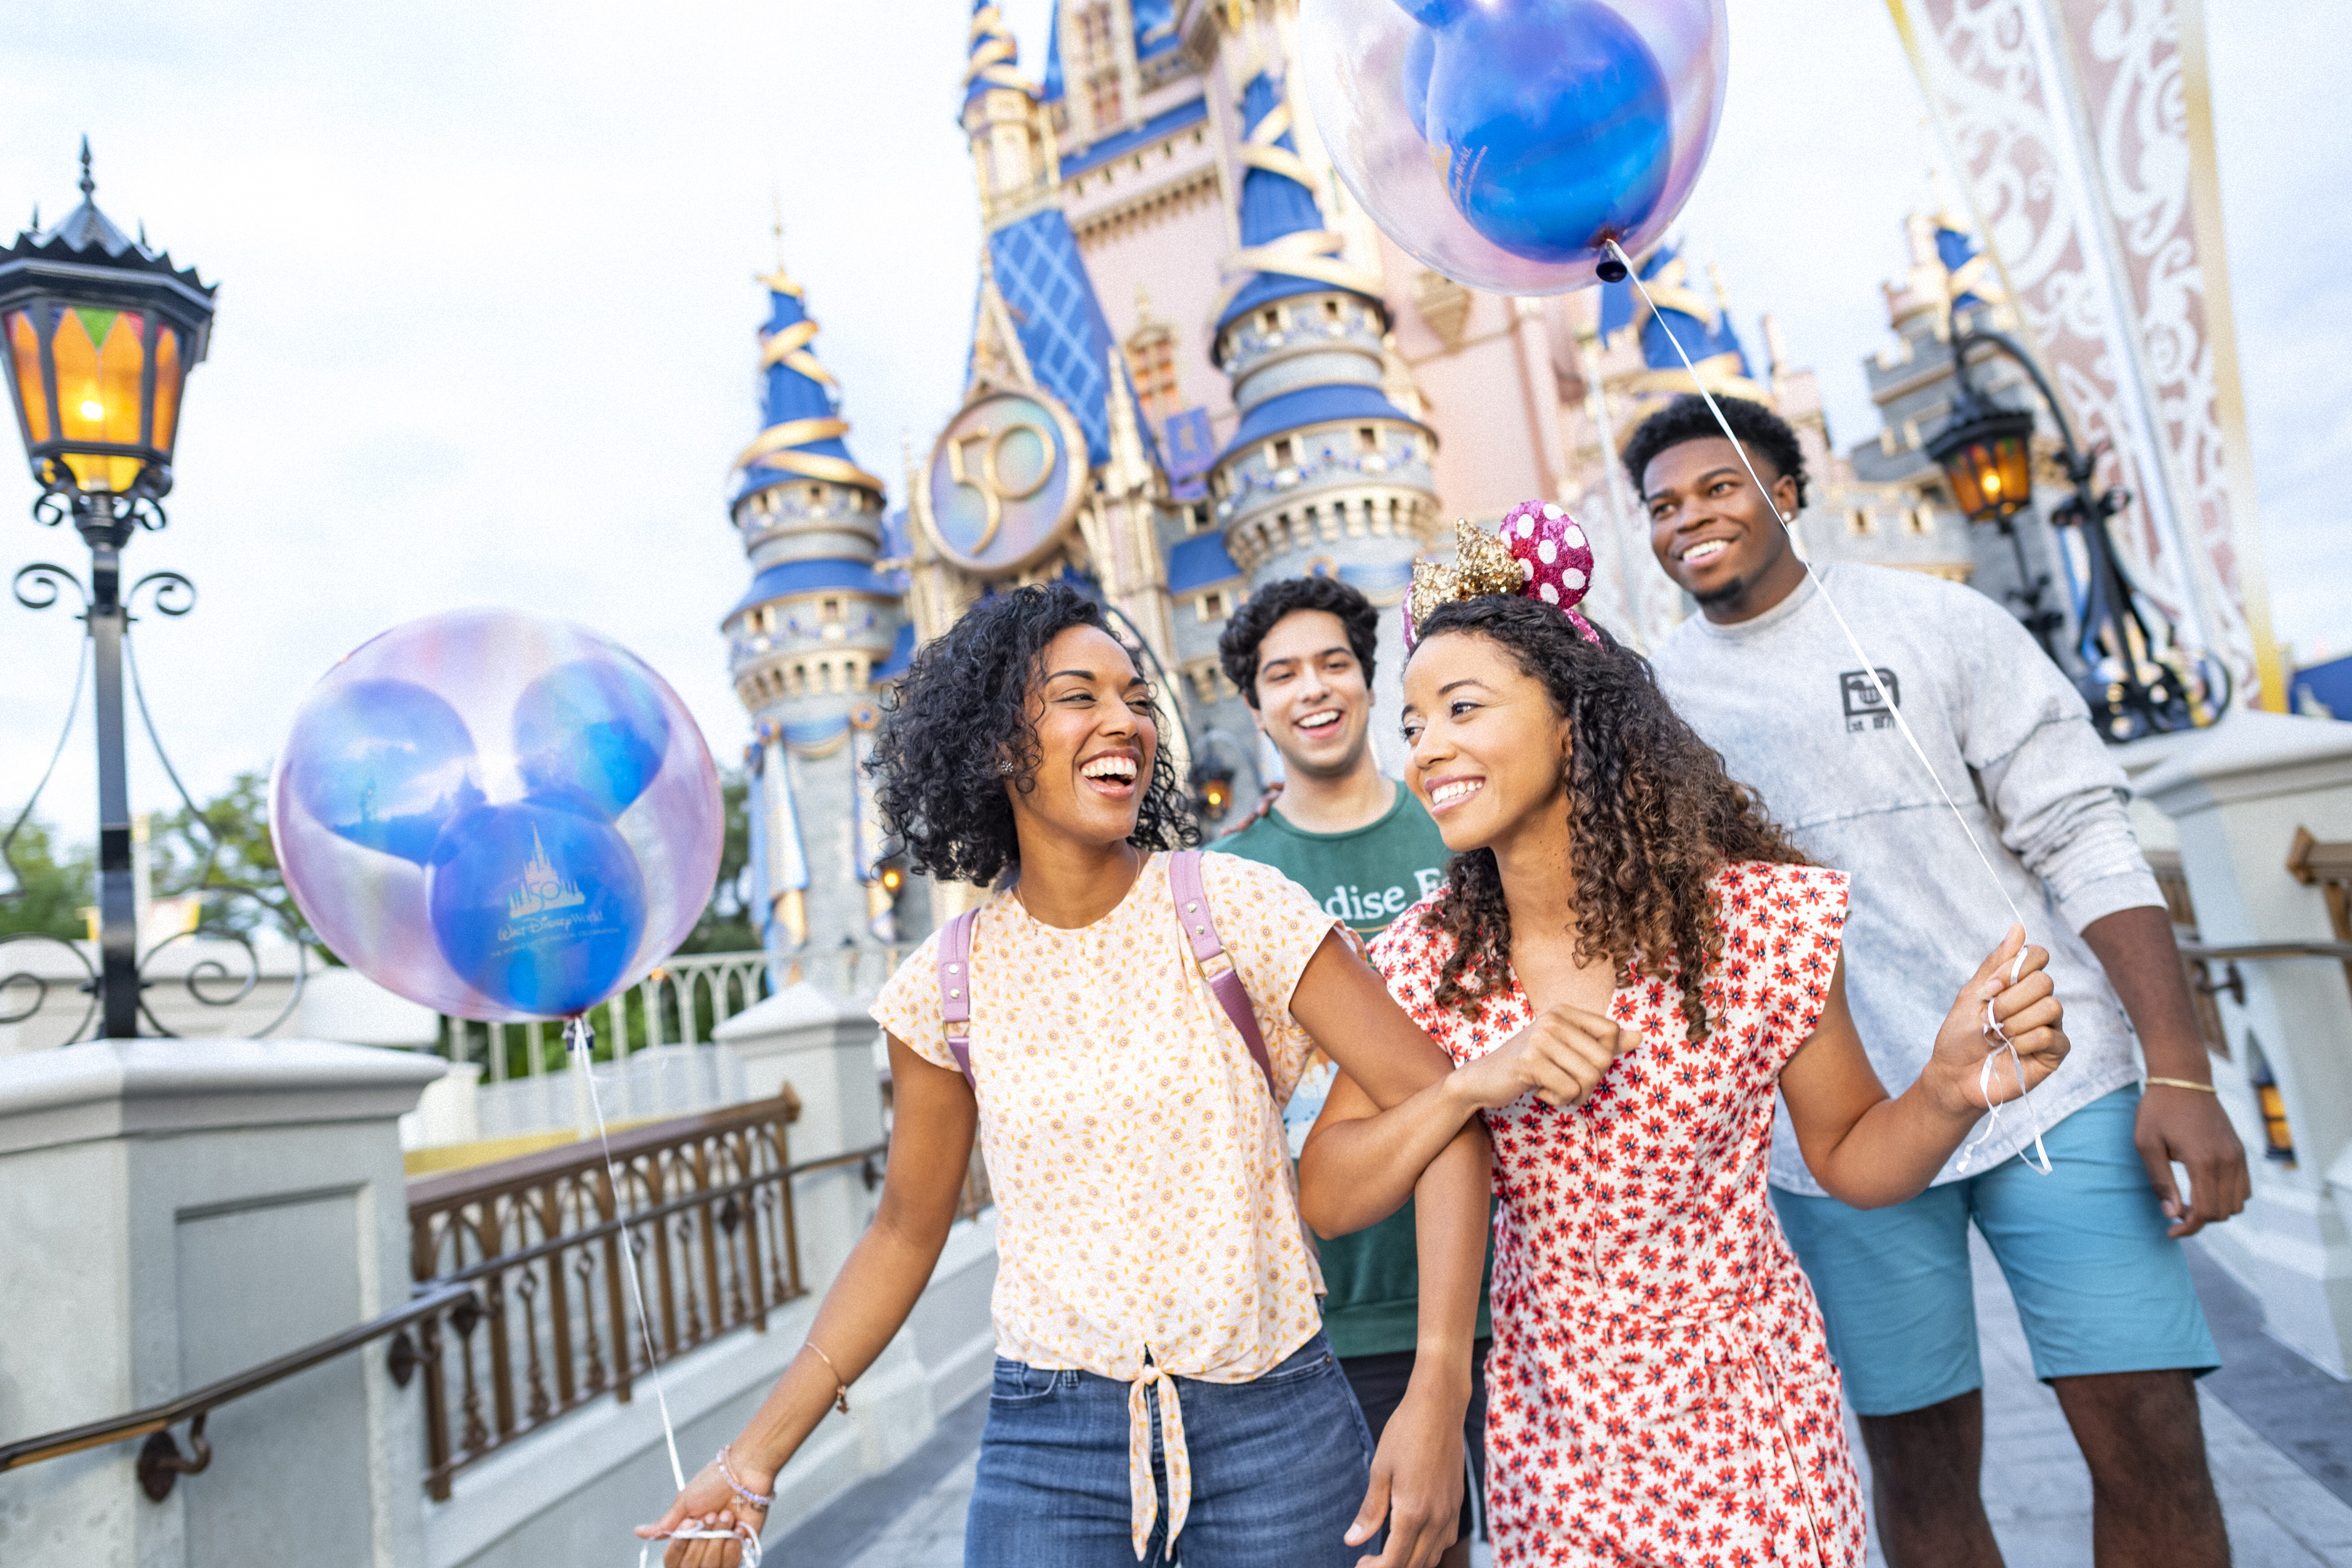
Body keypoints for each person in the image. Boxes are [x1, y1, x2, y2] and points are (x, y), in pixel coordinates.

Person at [638, 583, 1492, 1568]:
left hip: (1278, 1426)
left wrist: (1438, 1386)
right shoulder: (942, 988)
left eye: (1134, 696)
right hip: (1050, 1446)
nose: (1123, 718)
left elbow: (1445, 1113)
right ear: (997, 742)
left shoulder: (1234, 906)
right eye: (1080, 696)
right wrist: (752, 1461)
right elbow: (906, 1231)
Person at [1291, 502, 2071, 1568]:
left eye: (1462, 706)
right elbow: (1327, 1192)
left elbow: (1848, 1156)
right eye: (1415, 723)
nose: (1429, 749)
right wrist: (1472, 1083)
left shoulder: (1757, 924)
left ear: (1573, 716)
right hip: (1553, 1439)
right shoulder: (1428, 959)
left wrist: (1944, 1089)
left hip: (1753, 1418)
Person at [1631, 393, 2246, 1567]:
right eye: (1663, 506)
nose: (1690, 519)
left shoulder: (1935, 621)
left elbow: (2087, 837)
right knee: (1915, 1465)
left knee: (2149, 1435)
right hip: (1841, 1129)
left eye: (1720, 487)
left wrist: (2182, 1072)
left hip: (2053, 1083)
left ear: (1787, 493)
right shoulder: (1656, 702)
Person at [1214, 575, 1491, 1568]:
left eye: (1334, 663)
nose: (1313, 689)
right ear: (1255, 705)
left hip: (1518, 1277)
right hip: (1345, 1301)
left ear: (1371, 683)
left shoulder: (1465, 821)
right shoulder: (1228, 880)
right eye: (1282, 674)